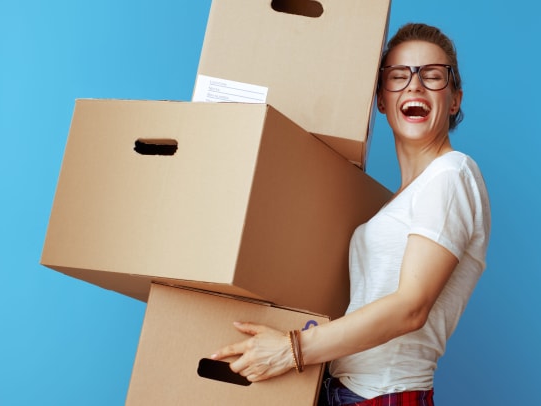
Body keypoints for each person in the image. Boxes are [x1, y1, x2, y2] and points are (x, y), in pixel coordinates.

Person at [209, 22, 491, 405]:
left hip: (386, 394)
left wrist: (293, 349)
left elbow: (411, 307)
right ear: (380, 99)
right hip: (346, 392)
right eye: (398, 76)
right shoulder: (399, 198)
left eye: (433, 76)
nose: (414, 86)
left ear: (454, 99)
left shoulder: (451, 174)